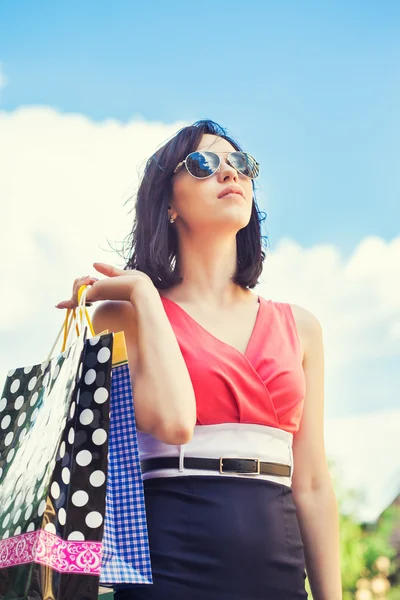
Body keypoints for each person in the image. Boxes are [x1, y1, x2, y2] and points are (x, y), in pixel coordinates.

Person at [56, 119, 342, 599]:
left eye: (241, 164)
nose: (230, 173)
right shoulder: (122, 316)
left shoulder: (303, 327)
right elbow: (172, 423)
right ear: (167, 203)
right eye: (203, 164)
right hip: (168, 560)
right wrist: (145, 296)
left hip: (277, 562)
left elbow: (311, 482)